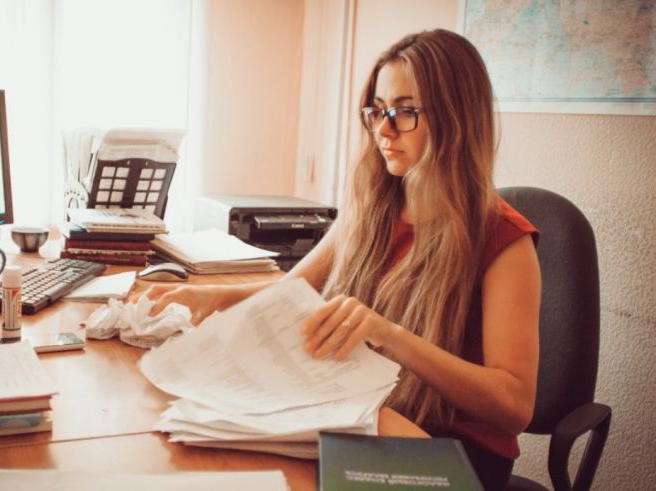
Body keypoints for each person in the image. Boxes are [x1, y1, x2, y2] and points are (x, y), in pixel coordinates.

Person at [143, 29, 540, 490]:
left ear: (458, 117)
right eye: (377, 111)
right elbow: (296, 289)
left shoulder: (504, 239)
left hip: (454, 451)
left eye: (405, 112)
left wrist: (389, 335)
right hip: (366, 414)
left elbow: (514, 405)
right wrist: (205, 296)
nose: (383, 131)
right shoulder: (375, 207)